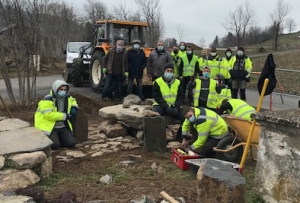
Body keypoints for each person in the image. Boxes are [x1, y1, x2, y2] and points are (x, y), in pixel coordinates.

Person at [34, 80, 78, 150]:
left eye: (65, 90)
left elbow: (73, 101)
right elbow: (48, 115)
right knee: (54, 145)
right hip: (49, 126)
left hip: (62, 126)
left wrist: (74, 107)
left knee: (71, 143)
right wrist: (64, 116)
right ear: (55, 89)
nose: (63, 92)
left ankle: (59, 138)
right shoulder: (47, 100)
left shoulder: (67, 97)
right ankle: (54, 138)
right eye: (61, 89)